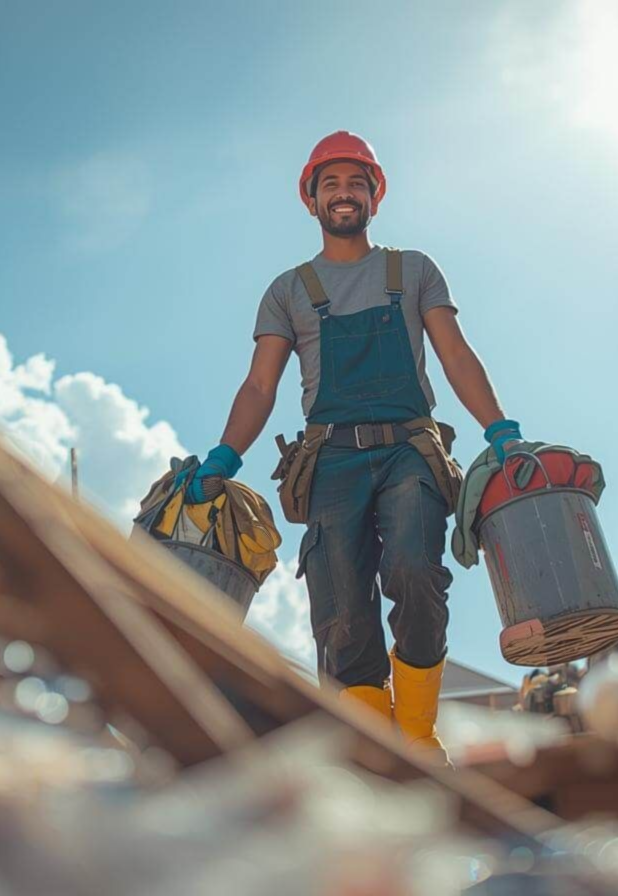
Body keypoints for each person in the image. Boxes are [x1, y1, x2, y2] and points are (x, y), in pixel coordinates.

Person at [184, 131, 526, 764]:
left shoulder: (413, 270)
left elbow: (454, 353)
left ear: (375, 195)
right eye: (331, 184)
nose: (344, 194)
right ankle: (372, 750)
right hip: (331, 459)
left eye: (356, 183)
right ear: (312, 200)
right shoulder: (289, 291)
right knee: (341, 610)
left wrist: (498, 427)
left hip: (410, 451)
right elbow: (261, 384)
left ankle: (418, 736)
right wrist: (223, 457)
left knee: (416, 572)